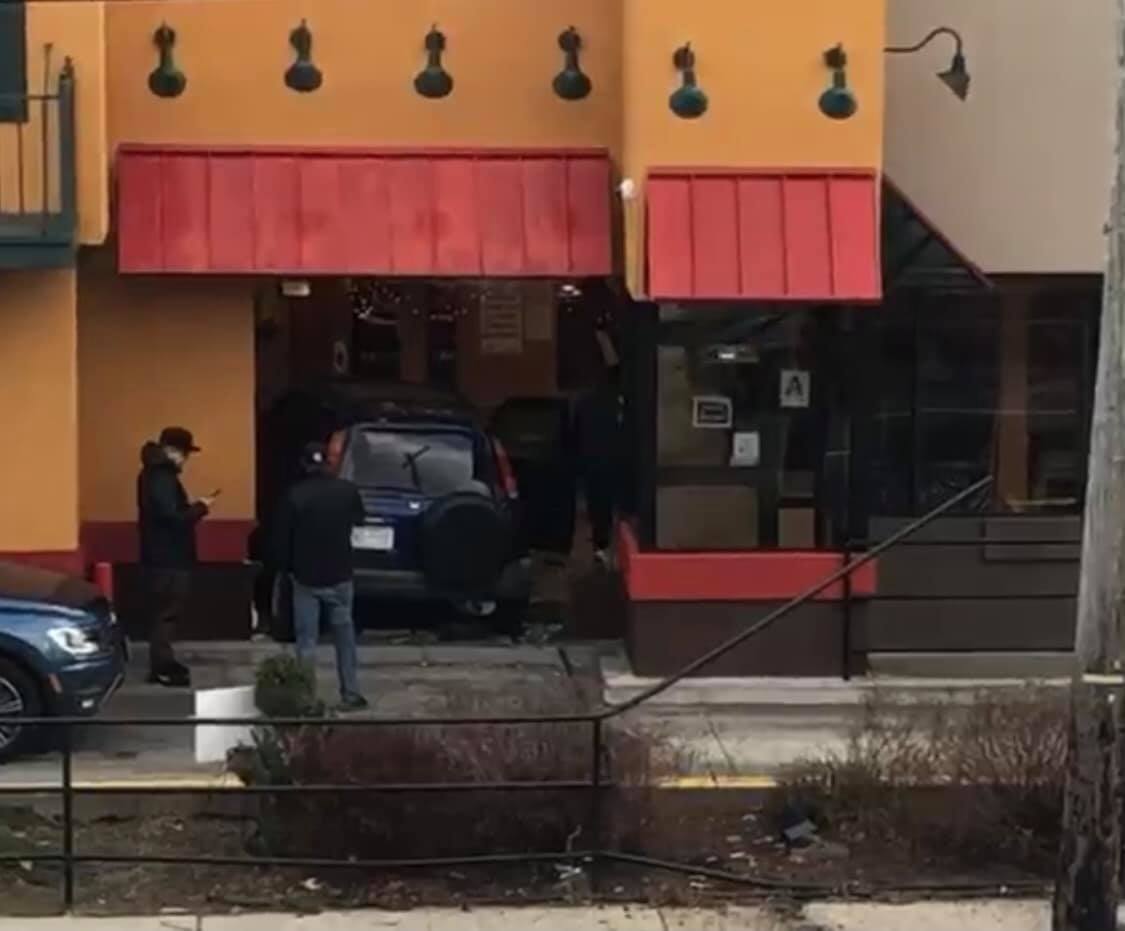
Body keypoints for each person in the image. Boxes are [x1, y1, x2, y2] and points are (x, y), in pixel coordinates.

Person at [273, 441, 368, 710]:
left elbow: (281, 541)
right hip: (340, 574)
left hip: (306, 578)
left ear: (303, 465)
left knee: (307, 642)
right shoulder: (348, 492)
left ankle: (305, 698)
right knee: (345, 638)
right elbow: (359, 523)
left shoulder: (294, 495)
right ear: (328, 462)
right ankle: (351, 693)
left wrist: (287, 569)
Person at [137, 426, 217, 687]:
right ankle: (162, 667)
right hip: (168, 558)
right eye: (185, 453)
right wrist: (200, 508)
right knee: (166, 613)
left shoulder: (154, 475)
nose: (186, 459)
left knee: (164, 613)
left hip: (161, 556)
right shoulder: (161, 477)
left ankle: (162, 663)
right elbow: (172, 518)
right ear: (172, 451)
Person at [575, 363, 624, 567]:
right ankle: (613, 548)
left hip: (594, 463)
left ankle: (601, 547)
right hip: (616, 462)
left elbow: (577, 434)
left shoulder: (586, 402)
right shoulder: (625, 404)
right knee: (622, 507)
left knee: (599, 507)